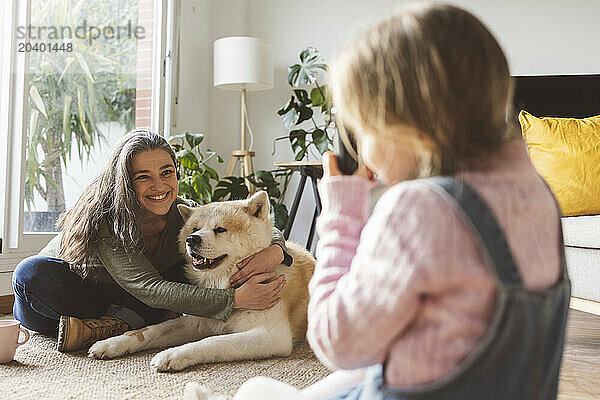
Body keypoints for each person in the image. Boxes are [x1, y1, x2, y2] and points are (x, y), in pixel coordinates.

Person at [234, 2, 569, 399]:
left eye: (363, 128)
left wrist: (341, 214)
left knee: (256, 389)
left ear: (404, 125)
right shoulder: (538, 195)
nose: (364, 150)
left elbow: (335, 344)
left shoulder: (419, 209)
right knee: (363, 372)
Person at [12, 129, 291, 352]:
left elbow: (239, 219)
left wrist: (276, 251)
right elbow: (149, 290)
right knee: (31, 273)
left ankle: (109, 325)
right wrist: (234, 299)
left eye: (166, 173)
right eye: (143, 177)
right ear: (124, 183)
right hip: (68, 296)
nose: (159, 186)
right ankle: (113, 322)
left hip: (129, 300)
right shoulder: (107, 219)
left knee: (185, 272)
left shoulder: (182, 211)